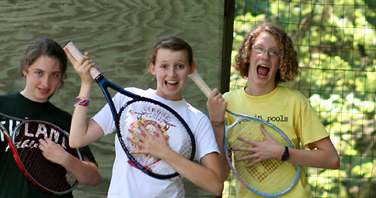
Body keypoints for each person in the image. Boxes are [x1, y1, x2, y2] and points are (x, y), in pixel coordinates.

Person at [67, 36, 229, 197]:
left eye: (179, 66)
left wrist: (165, 152)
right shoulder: (127, 99)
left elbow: (215, 185)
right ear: (153, 68)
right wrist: (86, 83)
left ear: (191, 68)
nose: (171, 74)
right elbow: (77, 139)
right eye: (164, 66)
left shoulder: (197, 119)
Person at [0, 38, 100, 198]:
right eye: (39, 73)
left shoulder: (66, 120)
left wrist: (65, 158)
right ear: (24, 70)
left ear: (61, 78)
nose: (45, 83)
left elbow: (93, 177)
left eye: (54, 75)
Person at [222, 23, 340, 197]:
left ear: (281, 62)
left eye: (274, 52)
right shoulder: (228, 103)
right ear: (248, 55)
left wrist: (282, 153)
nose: (265, 56)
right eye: (259, 48)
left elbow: (332, 159)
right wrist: (216, 122)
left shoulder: (296, 101)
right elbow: (220, 172)